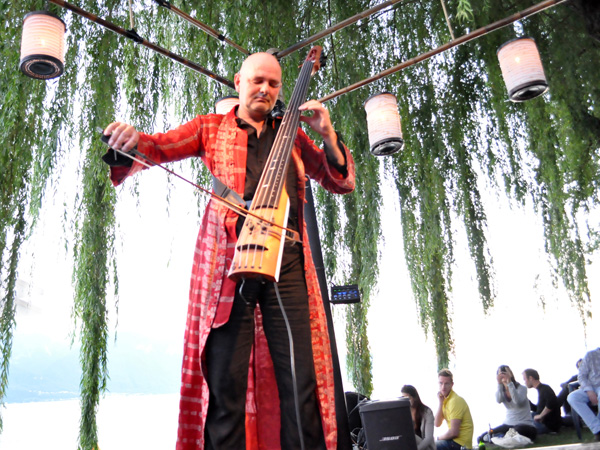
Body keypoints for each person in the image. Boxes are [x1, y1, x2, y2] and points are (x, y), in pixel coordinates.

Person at [102, 52, 355, 450]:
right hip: (227, 260)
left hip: (287, 260)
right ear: (239, 81)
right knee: (225, 381)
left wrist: (327, 134)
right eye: (258, 81)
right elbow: (159, 147)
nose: (265, 90)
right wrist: (131, 143)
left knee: (299, 378)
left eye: (274, 84)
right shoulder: (211, 128)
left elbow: (338, 179)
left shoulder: (292, 135)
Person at [477, 365, 536, 443]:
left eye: (505, 372)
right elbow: (498, 400)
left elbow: (517, 401)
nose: (503, 375)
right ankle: (498, 438)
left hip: (524, 425)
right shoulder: (501, 390)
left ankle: (499, 438)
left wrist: (509, 383)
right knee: (482, 437)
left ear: (511, 374)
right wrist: (499, 384)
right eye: (500, 373)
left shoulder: (522, 388)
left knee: (514, 432)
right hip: (508, 424)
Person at [435, 369, 474, 450]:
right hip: (454, 442)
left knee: (429, 447)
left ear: (452, 384)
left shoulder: (455, 401)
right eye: (441, 383)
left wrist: (438, 438)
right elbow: (437, 423)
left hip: (460, 445)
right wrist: (440, 403)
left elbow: (454, 432)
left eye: (446, 383)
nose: (443, 387)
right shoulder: (445, 400)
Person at [567, 347, 600, 441]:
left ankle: (598, 430)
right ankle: (597, 429)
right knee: (572, 397)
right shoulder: (591, 355)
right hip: (591, 386)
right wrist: (589, 390)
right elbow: (581, 376)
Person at [522, 368, 562, 434]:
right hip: (544, 422)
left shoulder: (545, 389)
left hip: (548, 425)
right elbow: (538, 409)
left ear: (531, 378)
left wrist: (540, 416)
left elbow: (551, 403)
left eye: (525, 379)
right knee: (524, 418)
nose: (524, 382)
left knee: (523, 426)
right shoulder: (541, 390)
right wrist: (526, 401)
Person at [401, 384, 435, 450]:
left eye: (408, 398)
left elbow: (428, 437)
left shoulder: (427, 412)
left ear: (414, 397)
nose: (406, 402)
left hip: (426, 447)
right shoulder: (404, 412)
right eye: (403, 399)